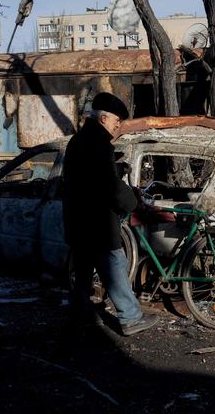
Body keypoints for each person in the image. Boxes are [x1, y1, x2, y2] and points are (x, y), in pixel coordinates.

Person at [63, 92, 158, 336]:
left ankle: (80, 317)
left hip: (78, 219)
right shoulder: (99, 144)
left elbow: (87, 177)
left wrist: (116, 168)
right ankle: (131, 318)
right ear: (104, 118)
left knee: (82, 273)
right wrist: (133, 202)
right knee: (115, 266)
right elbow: (108, 185)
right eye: (117, 120)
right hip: (98, 223)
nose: (119, 125)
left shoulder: (78, 141)